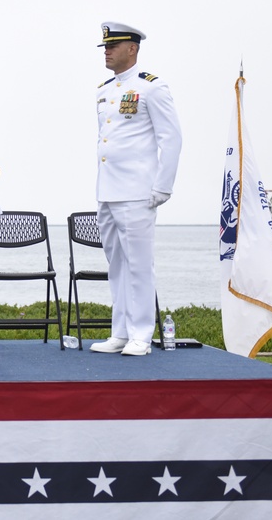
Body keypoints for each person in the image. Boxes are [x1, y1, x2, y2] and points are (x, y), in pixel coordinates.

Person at [90, 22, 182, 356]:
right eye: (104, 47)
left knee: (139, 265)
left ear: (133, 48)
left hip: (137, 192)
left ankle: (141, 335)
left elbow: (171, 138)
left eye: (113, 46)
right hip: (108, 190)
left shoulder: (152, 88)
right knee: (116, 265)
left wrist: (163, 186)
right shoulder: (103, 90)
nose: (107, 51)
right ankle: (120, 331)